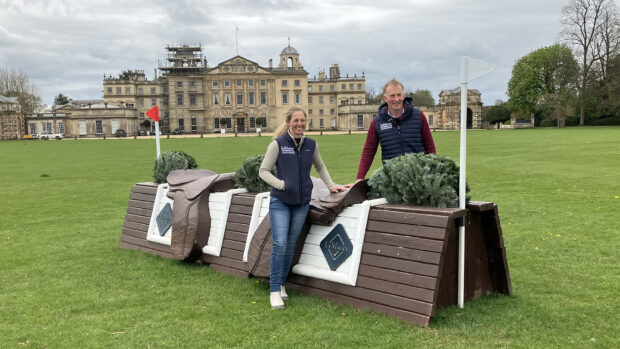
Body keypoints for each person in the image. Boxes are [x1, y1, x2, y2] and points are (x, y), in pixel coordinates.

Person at [259, 107, 346, 309]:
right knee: (280, 243)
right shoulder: (278, 144)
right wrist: (281, 184)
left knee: (290, 244)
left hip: (302, 203)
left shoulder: (310, 145)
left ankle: (281, 284)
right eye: (295, 120)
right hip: (280, 202)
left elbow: (320, 167)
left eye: (302, 121)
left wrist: (332, 186)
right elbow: (263, 171)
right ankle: (274, 291)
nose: (299, 124)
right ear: (289, 122)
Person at [352, 78, 436, 184]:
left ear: (403, 96)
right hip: (393, 181)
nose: (396, 99)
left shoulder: (418, 116)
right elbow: (368, 151)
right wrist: (360, 178)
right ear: (385, 98)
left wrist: (433, 171)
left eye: (399, 95)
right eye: (392, 96)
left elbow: (430, 147)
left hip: (419, 178)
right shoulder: (377, 122)